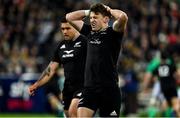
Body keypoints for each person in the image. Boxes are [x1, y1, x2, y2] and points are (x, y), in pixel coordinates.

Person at [66, 3, 128, 117]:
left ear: (105, 19)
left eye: (95, 17)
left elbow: (123, 17)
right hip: (90, 89)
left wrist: (109, 10)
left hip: (109, 89)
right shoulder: (89, 31)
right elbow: (69, 17)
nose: (92, 20)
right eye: (90, 18)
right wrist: (87, 12)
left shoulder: (114, 32)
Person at [28, 17, 87, 117]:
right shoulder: (61, 46)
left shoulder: (86, 42)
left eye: (67, 28)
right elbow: (50, 70)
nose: (64, 31)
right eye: (62, 29)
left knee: (74, 111)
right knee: (68, 114)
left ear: (75, 27)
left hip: (83, 86)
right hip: (68, 88)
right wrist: (36, 84)